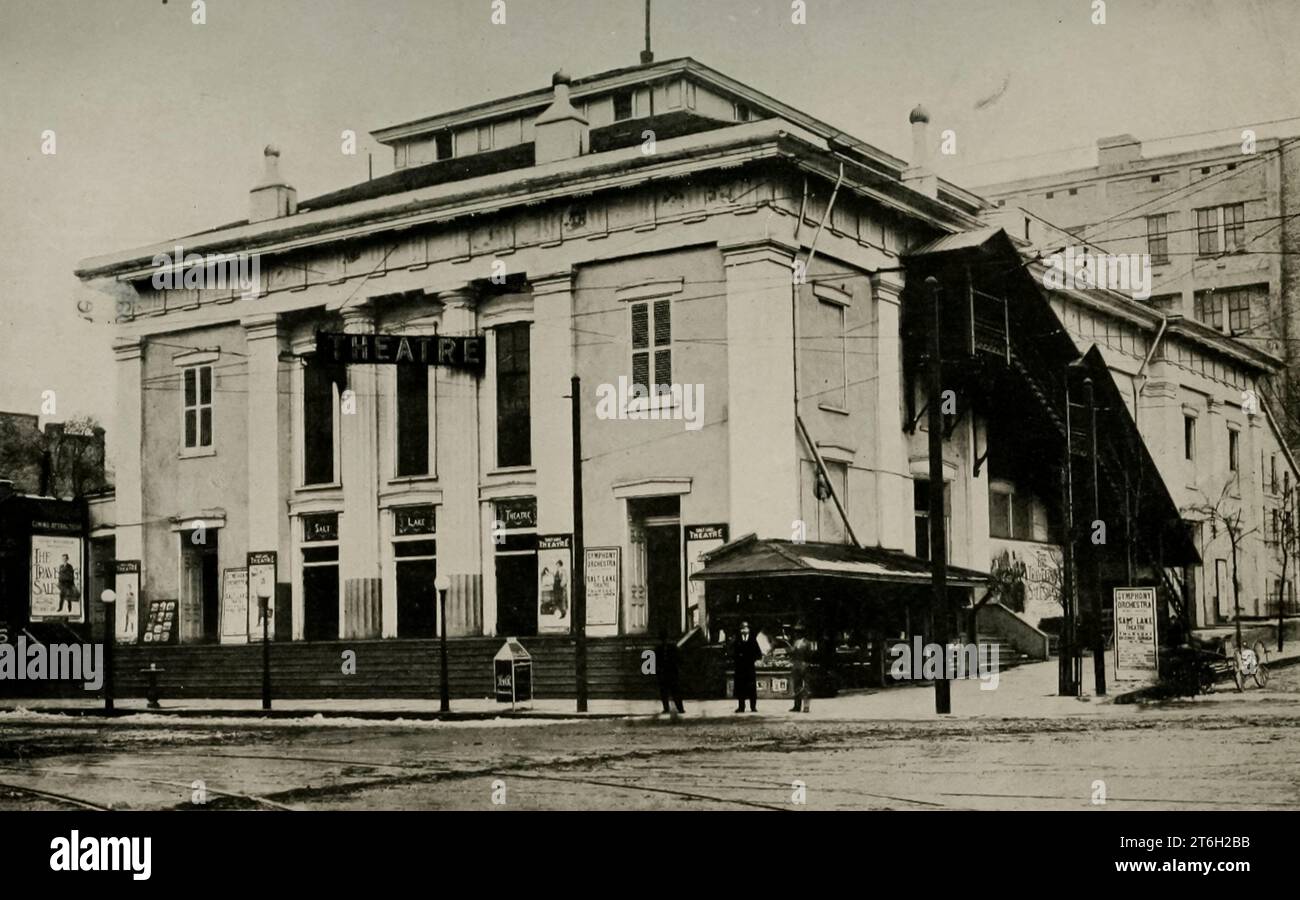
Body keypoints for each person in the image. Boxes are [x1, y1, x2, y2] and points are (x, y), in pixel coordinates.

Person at [732, 620, 762, 712]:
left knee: (751, 688)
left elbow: (758, 653)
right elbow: (733, 652)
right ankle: (741, 707)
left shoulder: (753, 639)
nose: (744, 630)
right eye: (742, 628)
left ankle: (753, 707)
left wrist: (753, 659)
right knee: (740, 687)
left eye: (746, 628)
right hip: (740, 668)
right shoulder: (737, 640)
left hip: (749, 668)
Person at [656, 629, 685, 715]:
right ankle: (668, 708)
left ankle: (680, 708)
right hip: (665, 673)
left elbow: (678, 659)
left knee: (674, 691)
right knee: (665, 692)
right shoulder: (659, 649)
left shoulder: (671, 648)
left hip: (671, 672)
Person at [789, 624, 813, 713]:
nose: (796, 634)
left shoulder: (807, 643)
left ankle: (806, 706)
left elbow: (809, 655)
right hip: (796, 665)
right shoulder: (795, 643)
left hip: (804, 665)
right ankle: (797, 706)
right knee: (796, 686)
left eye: (798, 632)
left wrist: (806, 664)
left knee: (806, 686)